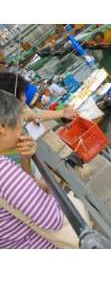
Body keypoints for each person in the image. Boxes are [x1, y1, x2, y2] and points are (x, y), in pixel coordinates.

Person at [0, 90, 64, 248]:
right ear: (2, 128)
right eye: (18, 123)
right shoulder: (3, 170)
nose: (21, 129)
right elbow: (53, 219)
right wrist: (48, 184)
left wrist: (25, 159)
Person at [0, 71, 77, 173]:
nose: (25, 97)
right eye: (23, 93)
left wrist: (63, 113)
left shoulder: (20, 114)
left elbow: (37, 115)